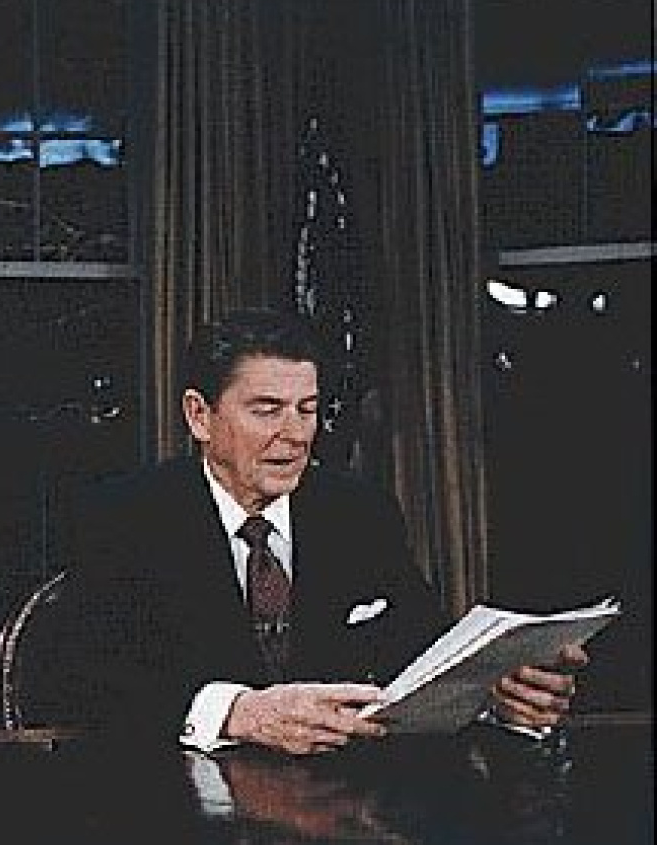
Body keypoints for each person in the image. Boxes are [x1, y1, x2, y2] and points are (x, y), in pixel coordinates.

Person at [36, 307, 586, 755]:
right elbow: (86, 678)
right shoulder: (121, 516)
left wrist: (492, 692)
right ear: (199, 416)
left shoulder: (359, 513)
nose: (296, 435)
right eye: (267, 409)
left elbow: (422, 656)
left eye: (307, 410)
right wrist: (240, 712)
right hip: (173, 818)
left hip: (342, 814)